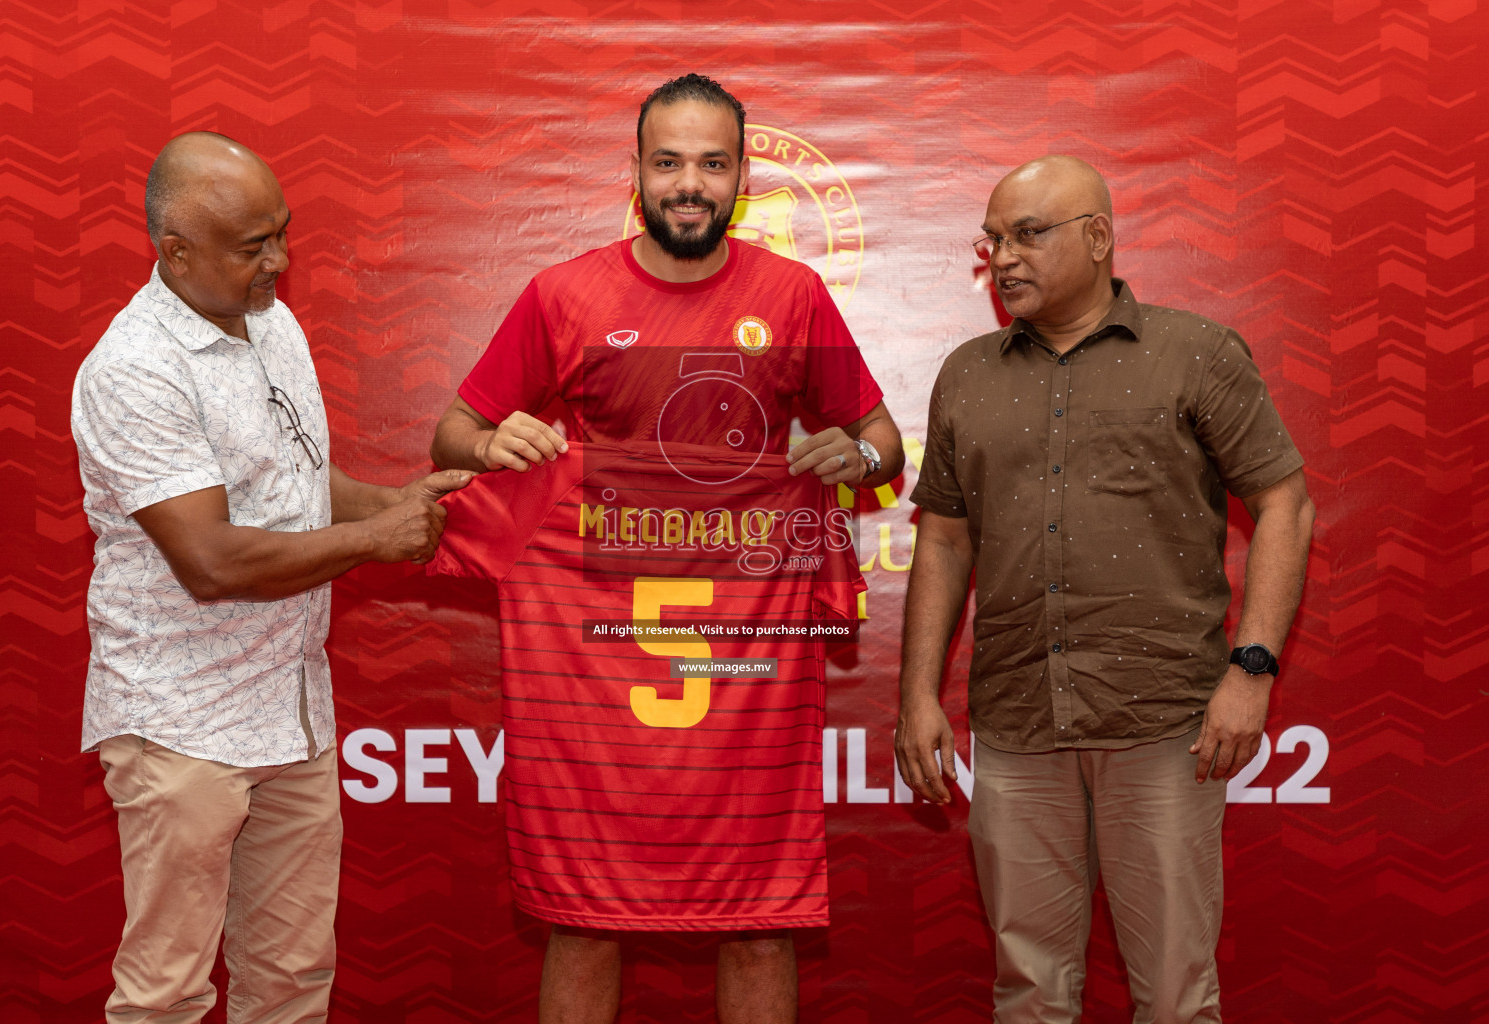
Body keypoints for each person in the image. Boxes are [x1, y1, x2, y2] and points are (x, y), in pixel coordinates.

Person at [430, 74, 904, 1024]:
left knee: (760, 916)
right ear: (637, 172)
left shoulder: (795, 296)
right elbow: (452, 436)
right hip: (591, 667)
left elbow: (885, 442)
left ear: (740, 178)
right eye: (670, 162)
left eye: (713, 164)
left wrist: (849, 454)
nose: (690, 183)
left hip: (746, 669)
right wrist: (493, 448)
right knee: (584, 914)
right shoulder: (563, 294)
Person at [895, 155, 1315, 1023]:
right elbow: (941, 539)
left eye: (1028, 234)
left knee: (1172, 995)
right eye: (994, 239)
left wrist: (1253, 667)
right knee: (1029, 990)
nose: (1005, 256)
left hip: (1163, 724)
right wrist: (915, 698)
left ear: (1098, 236)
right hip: (1016, 723)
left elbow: (1285, 503)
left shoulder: (1195, 352)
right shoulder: (966, 375)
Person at [71, 131, 471, 1023]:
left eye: (282, 235)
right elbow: (211, 559)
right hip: (182, 727)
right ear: (175, 251)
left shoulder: (270, 321)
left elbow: (290, 478)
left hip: (291, 712)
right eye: (254, 246)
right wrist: (377, 542)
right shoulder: (134, 370)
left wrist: (390, 504)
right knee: (166, 995)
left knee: (290, 980)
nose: (280, 263)